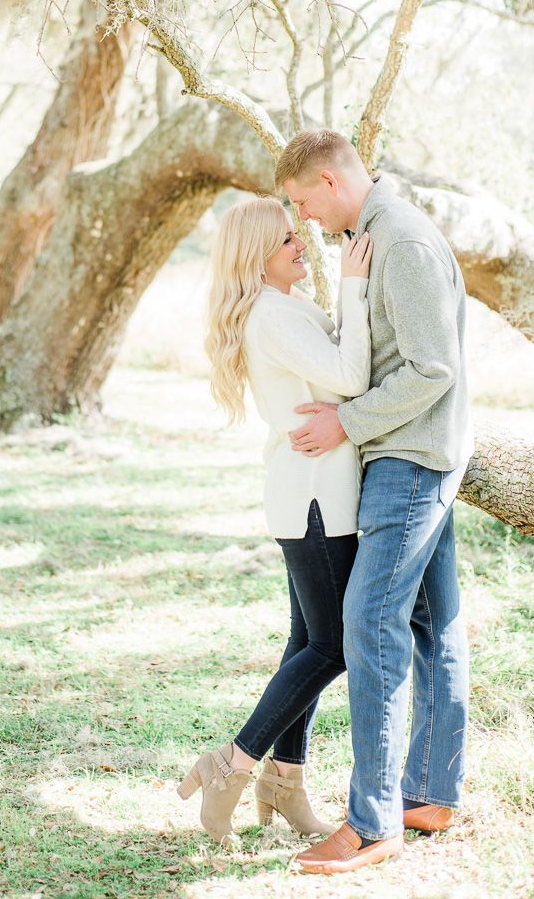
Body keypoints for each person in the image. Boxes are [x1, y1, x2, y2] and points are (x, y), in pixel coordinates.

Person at [276, 129, 473, 876]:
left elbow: (433, 370)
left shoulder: (404, 243)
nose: (305, 221)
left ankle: (370, 824)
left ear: (329, 180)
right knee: (431, 623)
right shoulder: (379, 234)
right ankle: (429, 793)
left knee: (370, 623)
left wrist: (343, 424)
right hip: (415, 453)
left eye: (303, 202)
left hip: (410, 460)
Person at [177, 194, 373, 843]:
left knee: (305, 642)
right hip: (315, 500)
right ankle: (231, 764)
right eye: (287, 237)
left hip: (312, 495)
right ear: (256, 254)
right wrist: (352, 284)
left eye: (299, 233)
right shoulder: (273, 317)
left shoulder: (284, 308)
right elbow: (348, 375)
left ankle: (283, 783)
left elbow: (334, 369)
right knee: (334, 645)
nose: (302, 242)